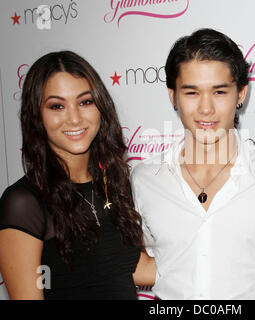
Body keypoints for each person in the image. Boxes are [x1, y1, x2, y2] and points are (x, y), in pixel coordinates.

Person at [130, 28, 255, 299]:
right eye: (192, 93)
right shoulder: (143, 179)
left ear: (241, 93)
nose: (206, 109)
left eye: (219, 92)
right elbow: (127, 262)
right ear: (173, 96)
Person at [0, 51, 155, 299]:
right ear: (36, 115)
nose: (74, 118)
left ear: (101, 107)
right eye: (57, 106)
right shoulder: (23, 203)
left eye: (85, 102)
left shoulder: (116, 184)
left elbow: (134, 268)